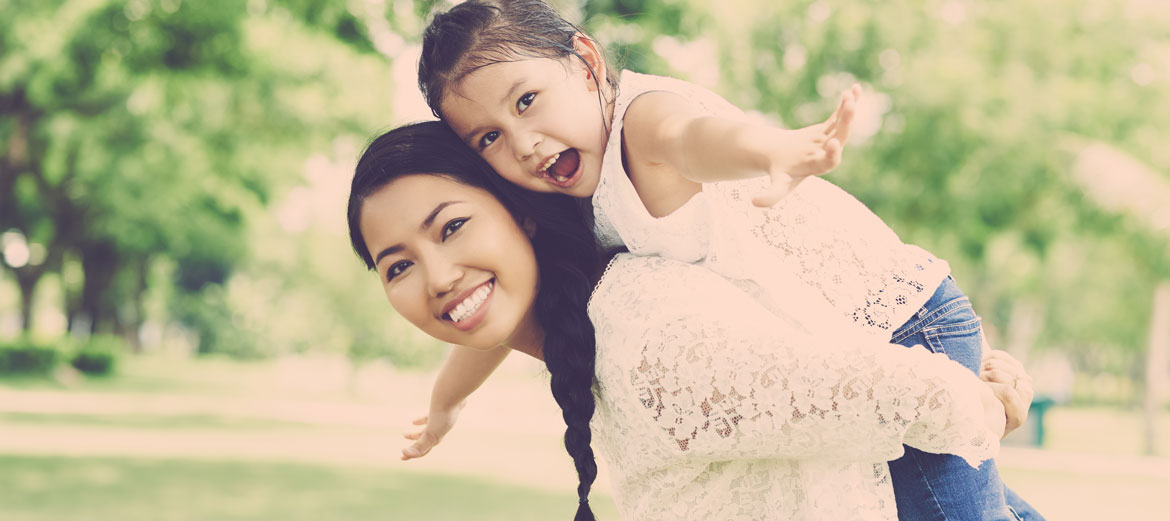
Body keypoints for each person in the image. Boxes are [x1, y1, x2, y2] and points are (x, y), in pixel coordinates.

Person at [413, 1, 1044, 520]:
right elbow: (510, 304)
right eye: (489, 137)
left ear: (584, 62)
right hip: (845, 356)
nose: (523, 144)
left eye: (527, 101)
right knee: (958, 502)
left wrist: (772, 149)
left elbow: (694, 139)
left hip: (902, 325)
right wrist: (446, 404)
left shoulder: (640, 124)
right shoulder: (566, 196)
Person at [347, 121, 1031, 521]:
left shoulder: (641, 334)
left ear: (521, 210)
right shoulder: (590, 331)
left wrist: (978, 403)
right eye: (397, 266)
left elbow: (871, 385)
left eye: (453, 227)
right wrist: (444, 404)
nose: (436, 277)